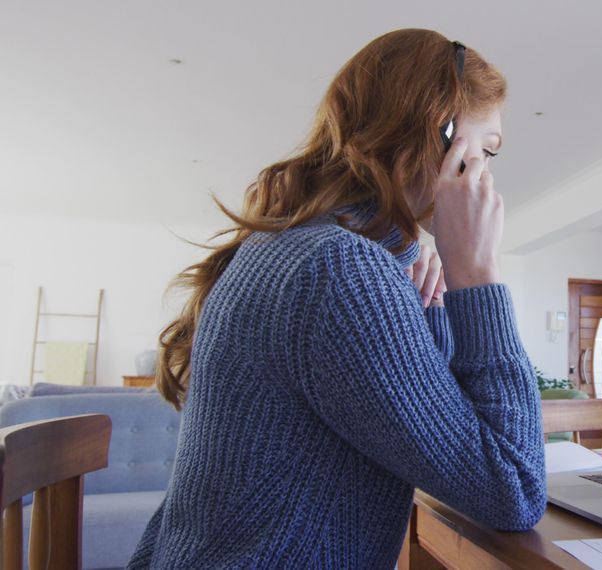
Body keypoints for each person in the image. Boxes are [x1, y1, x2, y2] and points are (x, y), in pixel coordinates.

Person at [127, 28, 546, 569]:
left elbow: (439, 435)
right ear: (437, 136)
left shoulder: (303, 247)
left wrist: (438, 302)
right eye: (484, 151)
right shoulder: (342, 271)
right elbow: (513, 487)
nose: (486, 177)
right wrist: (480, 277)